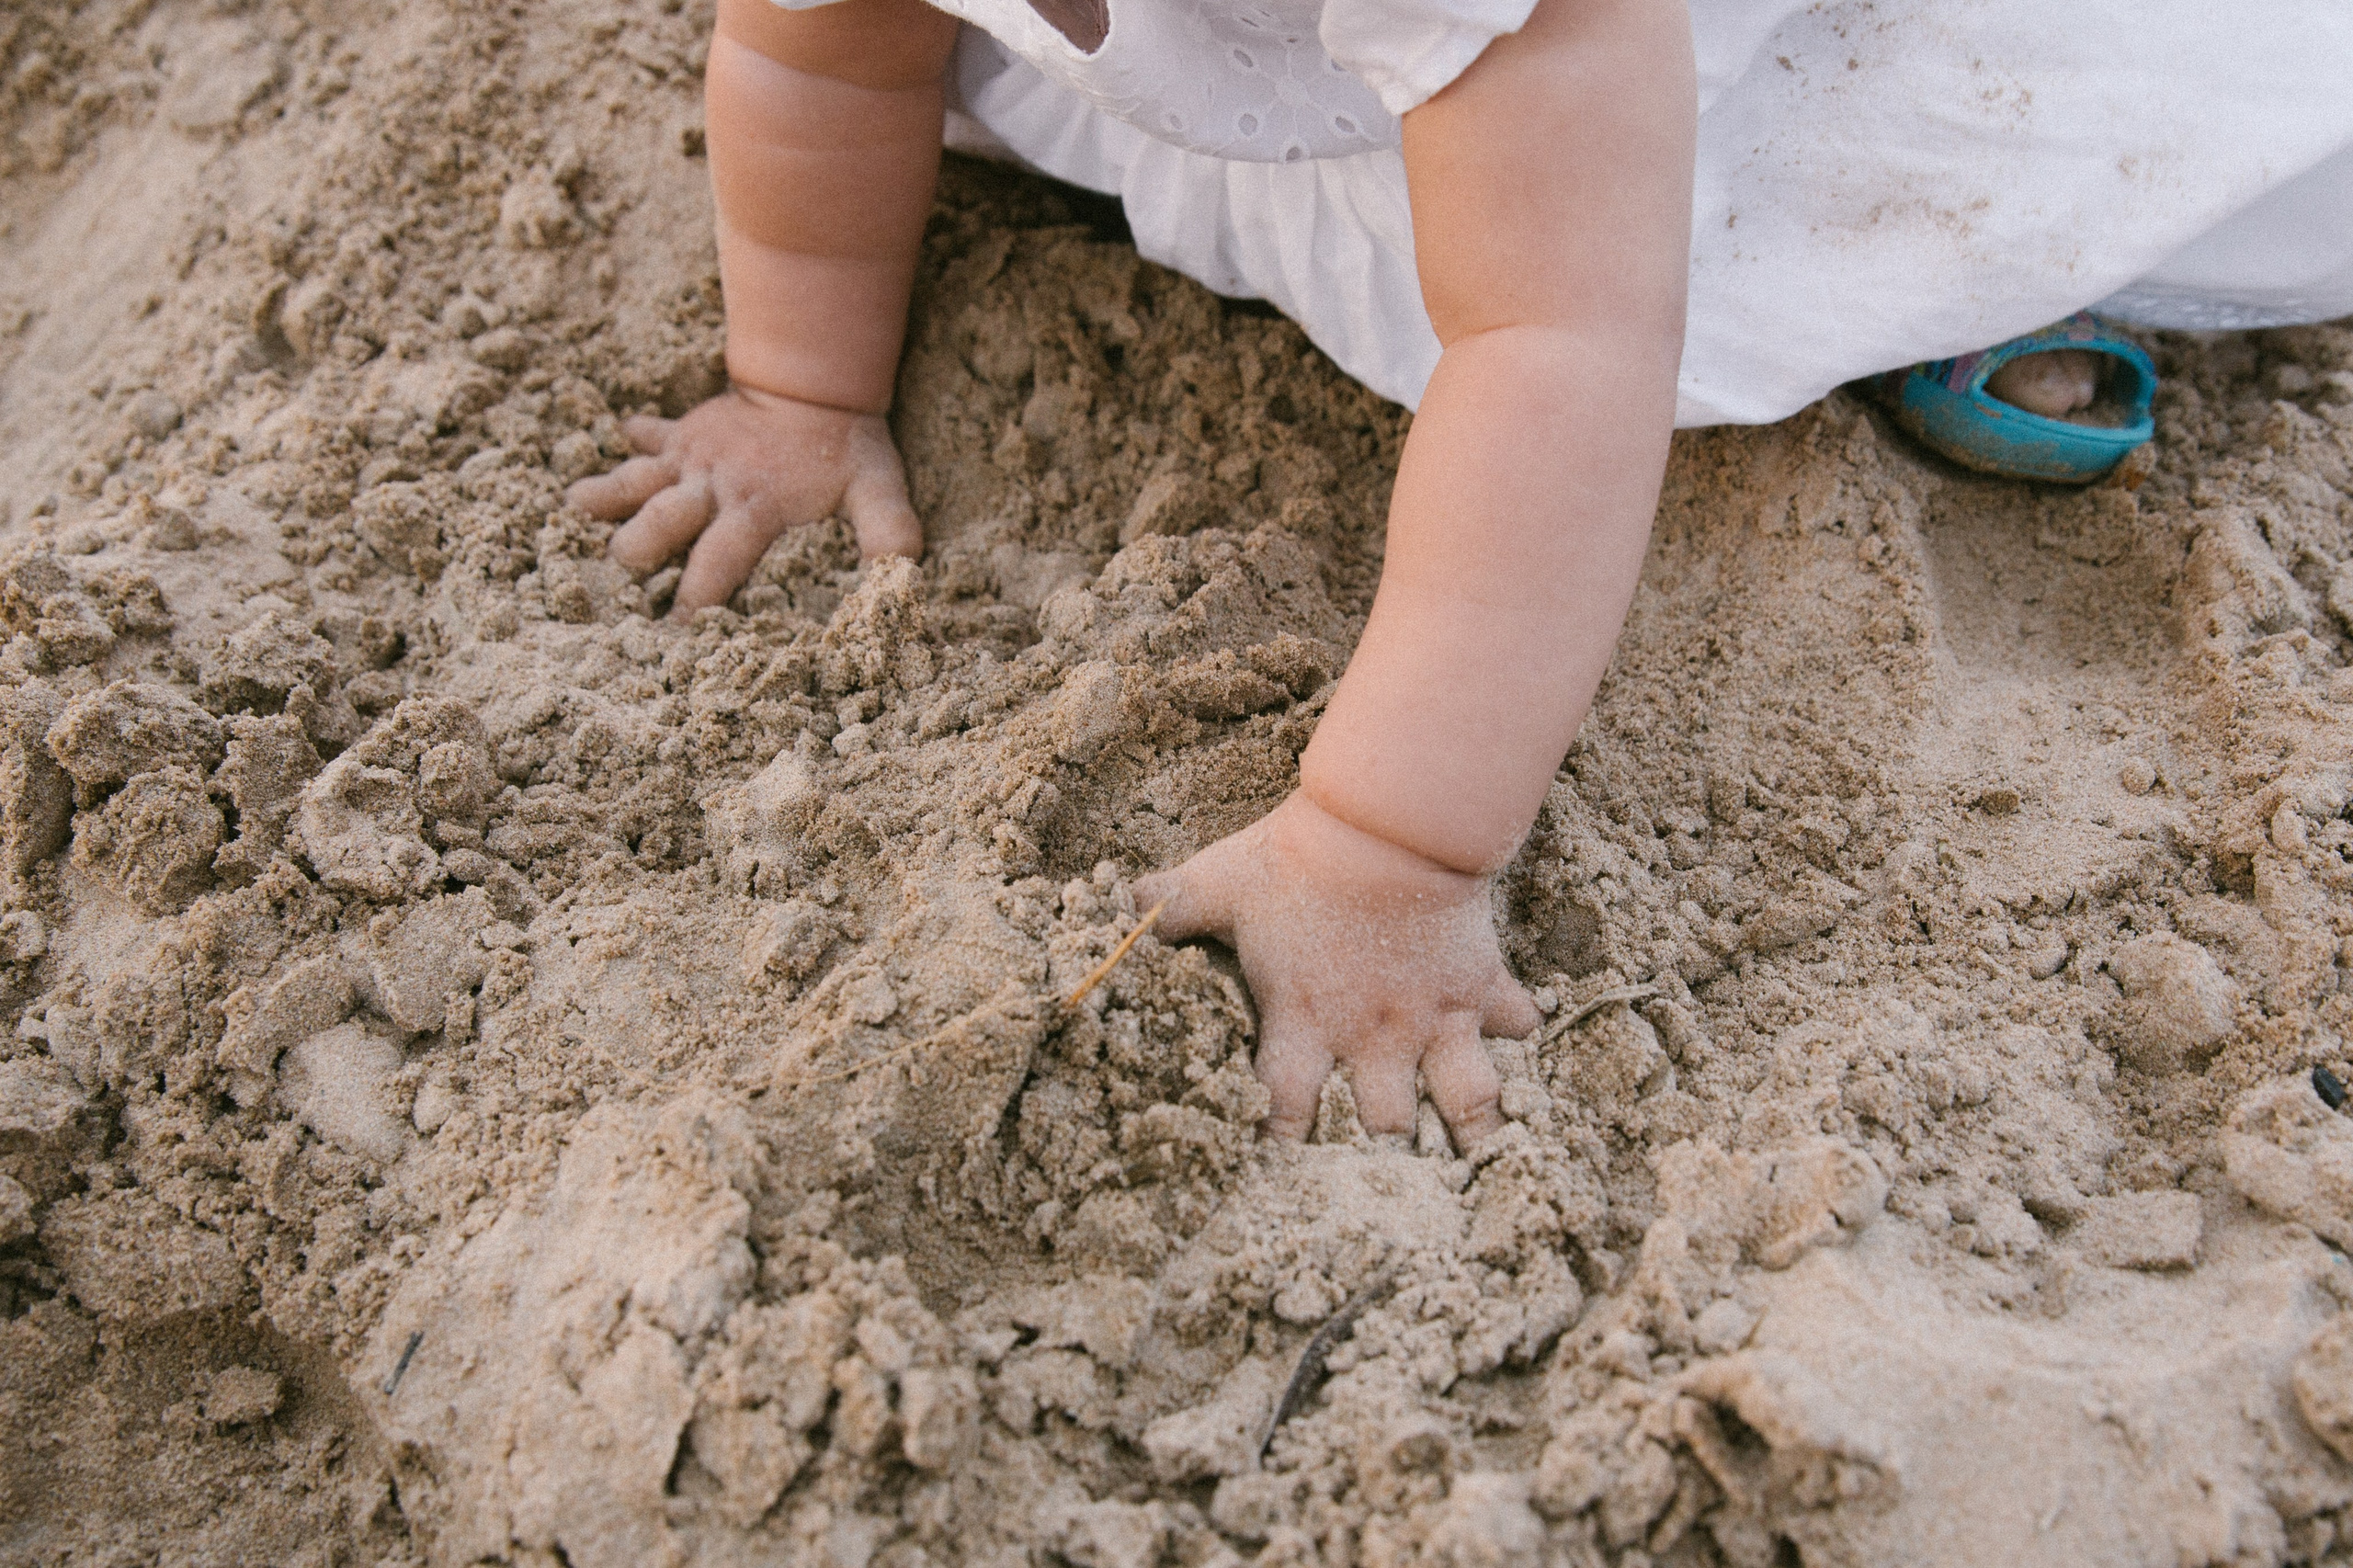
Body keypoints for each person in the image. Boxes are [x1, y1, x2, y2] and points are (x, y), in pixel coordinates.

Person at [569, 0, 2353, 1147]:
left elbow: (1554, 340)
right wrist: (797, 390)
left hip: (1618, 94)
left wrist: (1388, 846)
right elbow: (817, 49)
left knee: (1788, 224)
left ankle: (1937, 294)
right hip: (1302, 70)